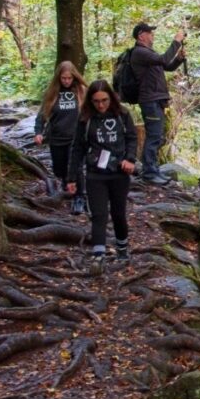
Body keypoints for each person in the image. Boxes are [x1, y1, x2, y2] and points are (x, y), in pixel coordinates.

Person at [67, 80, 138, 264]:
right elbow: (77, 148)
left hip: (119, 174)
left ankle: (122, 249)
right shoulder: (85, 119)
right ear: (90, 101)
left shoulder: (122, 115)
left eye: (104, 100)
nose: (100, 105)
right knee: (98, 215)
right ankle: (98, 256)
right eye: (96, 101)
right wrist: (72, 177)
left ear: (111, 98)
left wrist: (130, 159)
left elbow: (131, 138)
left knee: (118, 213)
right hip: (95, 174)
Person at [129, 21, 185, 185]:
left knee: (157, 135)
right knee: (154, 136)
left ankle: (153, 169)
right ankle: (149, 173)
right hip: (150, 100)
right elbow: (163, 59)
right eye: (150, 32)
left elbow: (166, 66)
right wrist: (177, 41)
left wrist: (179, 59)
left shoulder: (147, 53)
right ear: (141, 35)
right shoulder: (140, 53)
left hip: (156, 100)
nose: (153, 35)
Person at [34, 60, 88, 213]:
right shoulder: (52, 93)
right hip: (56, 137)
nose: (66, 81)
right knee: (59, 169)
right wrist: (38, 132)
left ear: (74, 77)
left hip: (75, 138)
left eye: (69, 78)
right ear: (59, 77)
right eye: (64, 78)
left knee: (76, 168)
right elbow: (42, 115)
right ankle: (66, 180)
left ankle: (79, 198)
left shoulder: (80, 91)